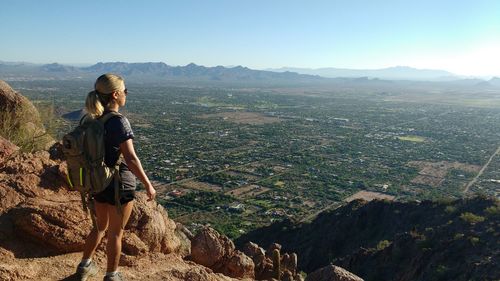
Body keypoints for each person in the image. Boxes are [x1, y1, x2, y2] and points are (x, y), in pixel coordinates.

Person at [75, 73, 156, 281]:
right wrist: (148, 184)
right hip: (119, 184)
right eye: (125, 91)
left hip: (96, 181)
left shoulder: (90, 118)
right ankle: (112, 275)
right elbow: (130, 158)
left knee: (99, 227)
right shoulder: (118, 121)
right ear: (116, 94)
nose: (126, 95)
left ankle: (84, 266)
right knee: (115, 233)